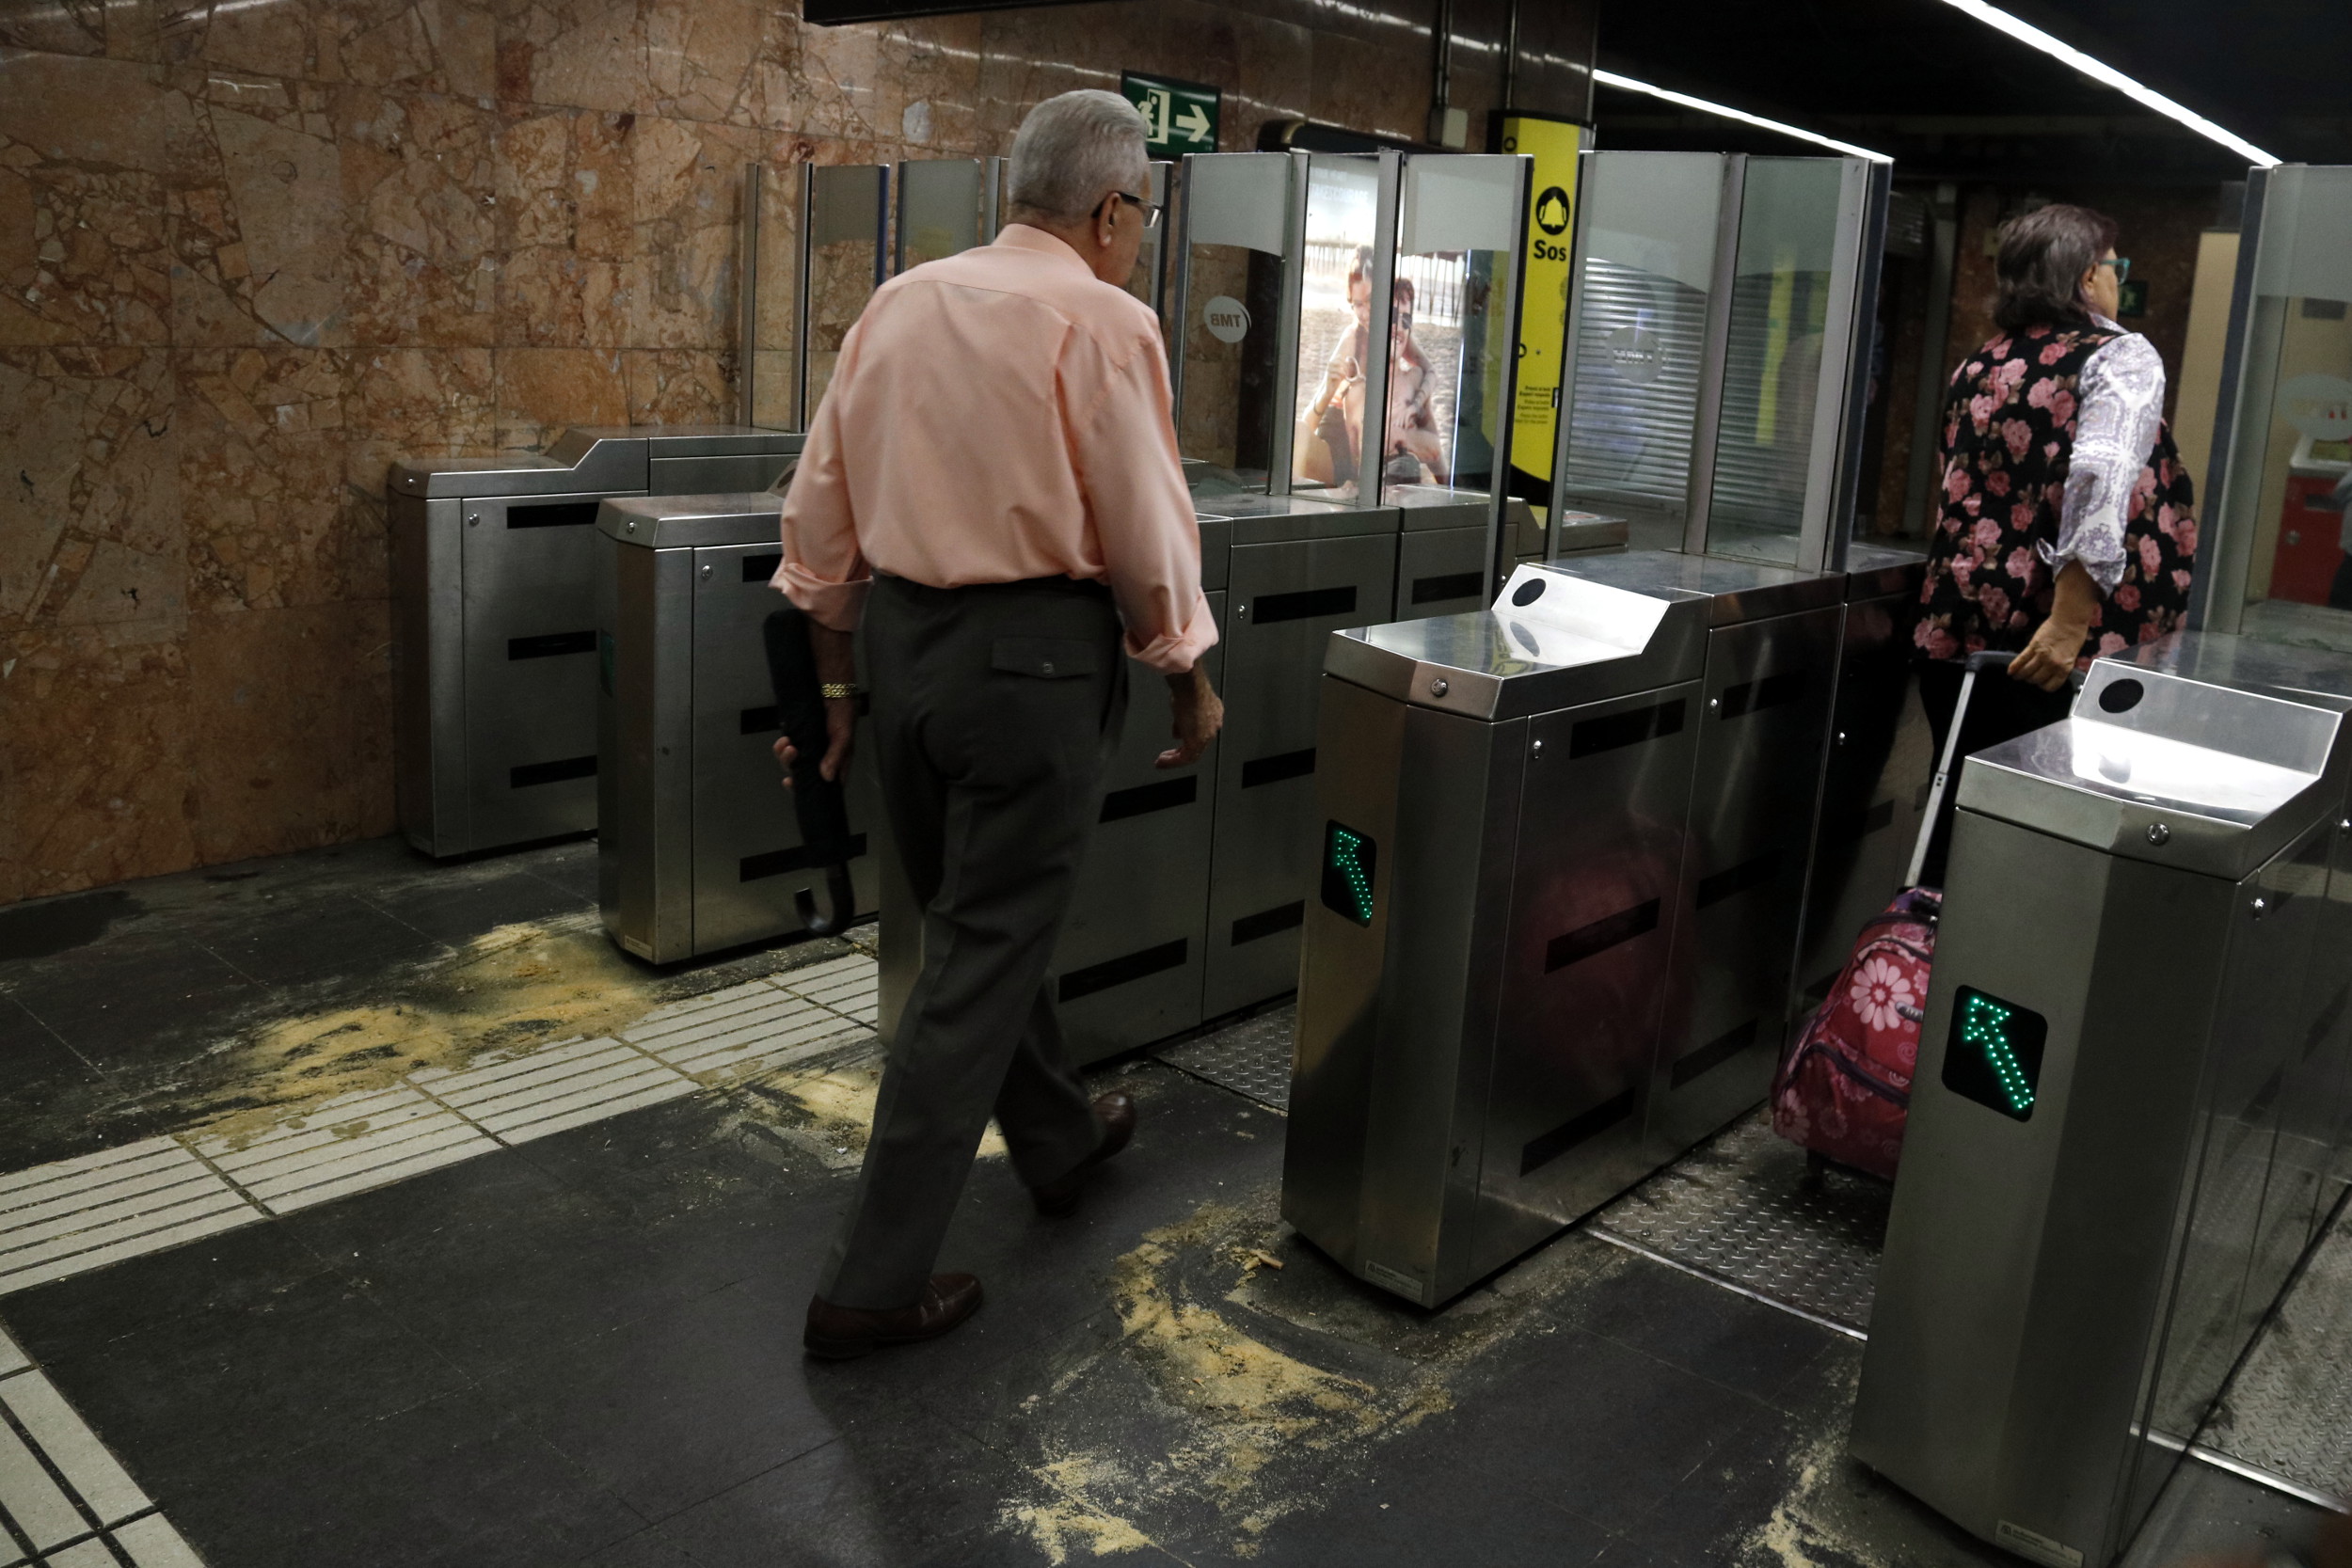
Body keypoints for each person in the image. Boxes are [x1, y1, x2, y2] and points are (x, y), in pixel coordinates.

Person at [771, 89, 1224, 1359]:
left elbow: (820, 513)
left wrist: (843, 690)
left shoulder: (901, 302)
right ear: (1110, 208)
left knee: (977, 919)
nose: (1133, 235)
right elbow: (1143, 518)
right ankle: (871, 1280)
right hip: (1031, 665)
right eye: (1136, 215)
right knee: (974, 960)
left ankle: (1061, 1139)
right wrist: (1186, 667)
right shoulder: (1105, 316)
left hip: (905, 648)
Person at [1911, 202, 2197, 883]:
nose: (2118, 281)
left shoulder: (1980, 366)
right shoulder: (2120, 356)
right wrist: (2068, 624)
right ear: (2084, 278)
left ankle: (1924, 964)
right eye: (2115, 266)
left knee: (1960, 818)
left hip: (1957, 631)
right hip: (2057, 649)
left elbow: (1951, 490)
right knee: (2045, 840)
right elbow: (2099, 482)